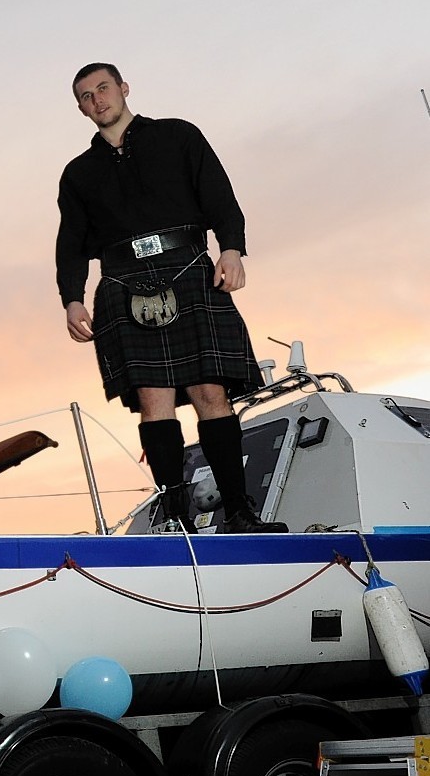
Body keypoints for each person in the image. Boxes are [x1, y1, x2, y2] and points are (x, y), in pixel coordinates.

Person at [56, 63, 287, 534]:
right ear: (80, 108)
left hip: (187, 267)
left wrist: (232, 248)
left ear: (123, 88)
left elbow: (220, 195)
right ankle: (177, 520)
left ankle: (240, 513)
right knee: (153, 400)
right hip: (121, 280)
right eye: (85, 96)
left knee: (209, 391)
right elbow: (70, 241)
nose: (97, 99)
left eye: (103, 88)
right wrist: (72, 298)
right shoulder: (78, 174)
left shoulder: (179, 136)